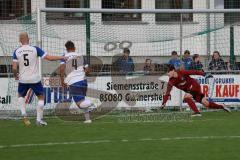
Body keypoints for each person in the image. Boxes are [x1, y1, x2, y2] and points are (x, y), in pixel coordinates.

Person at [12, 32, 67, 126]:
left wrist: (15, 75)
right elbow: (49, 58)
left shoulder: (16, 51)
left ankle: (24, 115)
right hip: (34, 79)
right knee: (41, 97)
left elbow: (14, 67)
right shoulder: (35, 49)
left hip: (23, 79)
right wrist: (61, 57)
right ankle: (38, 120)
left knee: (20, 96)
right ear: (28, 39)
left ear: (20, 40)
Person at [161, 64, 231, 117]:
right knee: (206, 104)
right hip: (191, 90)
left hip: (194, 85)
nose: (167, 74)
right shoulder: (171, 82)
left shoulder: (181, 72)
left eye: (168, 72)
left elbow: (194, 72)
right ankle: (222, 106)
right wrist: (164, 102)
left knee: (186, 97)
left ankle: (197, 112)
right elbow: (167, 92)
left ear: (173, 70)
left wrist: (204, 74)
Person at [60, 41, 95, 123]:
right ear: (74, 48)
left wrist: (62, 80)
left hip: (74, 82)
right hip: (83, 81)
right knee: (82, 100)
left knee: (80, 104)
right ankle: (88, 119)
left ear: (66, 49)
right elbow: (88, 70)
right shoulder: (81, 56)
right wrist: (83, 72)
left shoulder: (64, 56)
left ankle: (93, 104)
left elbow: (61, 69)